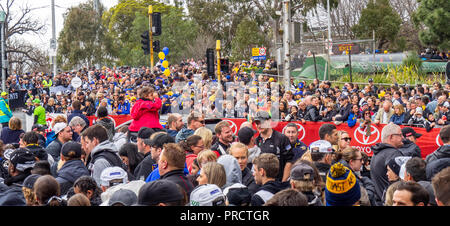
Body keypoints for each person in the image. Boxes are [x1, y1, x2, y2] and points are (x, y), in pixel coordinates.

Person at [254, 110, 293, 182]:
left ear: (269, 121)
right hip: (261, 184)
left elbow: (289, 161)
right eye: (257, 123)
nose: (259, 125)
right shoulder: (256, 140)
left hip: (278, 182)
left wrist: (283, 182)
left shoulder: (282, 139)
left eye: (262, 122)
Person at [370, 122, 404, 203]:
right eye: (400, 135)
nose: (403, 137)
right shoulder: (393, 154)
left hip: (379, 200)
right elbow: (400, 183)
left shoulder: (376, 153)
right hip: (390, 201)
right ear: (391, 137)